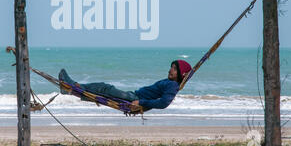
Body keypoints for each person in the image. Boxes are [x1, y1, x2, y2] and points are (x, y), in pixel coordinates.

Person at [58, 59, 192, 112]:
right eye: (171, 67)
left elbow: (163, 103)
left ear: (181, 73)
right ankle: (73, 88)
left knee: (106, 89)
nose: (170, 70)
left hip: (133, 98)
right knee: (103, 91)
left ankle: (73, 87)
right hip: (133, 96)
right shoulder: (170, 83)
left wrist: (141, 102)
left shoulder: (173, 85)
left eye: (174, 69)